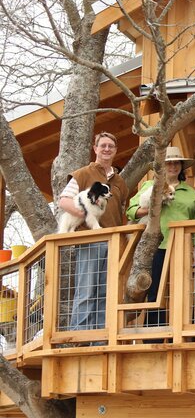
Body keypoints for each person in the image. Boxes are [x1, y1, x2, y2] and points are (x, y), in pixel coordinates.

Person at [59, 132, 128, 332]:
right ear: (95, 148)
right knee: (87, 290)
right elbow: (64, 200)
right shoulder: (83, 174)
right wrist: (84, 215)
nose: (107, 149)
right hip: (90, 240)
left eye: (111, 146)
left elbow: (123, 211)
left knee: (106, 292)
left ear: (115, 151)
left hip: (113, 241)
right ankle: (79, 337)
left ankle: (101, 337)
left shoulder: (120, 182)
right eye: (103, 145)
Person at [126, 146, 195, 329]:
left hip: (182, 246)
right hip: (155, 245)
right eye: (168, 163)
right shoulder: (149, 186)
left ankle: (181, 331)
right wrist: (153, 206)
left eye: (176, 163)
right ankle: (154, 332)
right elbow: (131, 211)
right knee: (155, 290)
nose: (173, 166)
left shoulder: (189, 192)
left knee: (181, 290)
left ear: (182, 167)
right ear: (162, 166)